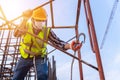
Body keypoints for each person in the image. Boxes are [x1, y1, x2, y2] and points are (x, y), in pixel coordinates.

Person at [12, 7, 82, 80]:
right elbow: (16, 34)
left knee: (43, 75)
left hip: (40, 57)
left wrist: (70, 46)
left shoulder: (47, 31)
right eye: (39, 20)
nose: (41, 22)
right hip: (25, 57)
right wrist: (24, 19)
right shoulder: (26, 25)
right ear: (33, 20)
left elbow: (58, 42)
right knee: (16, 78)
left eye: (43, 20)